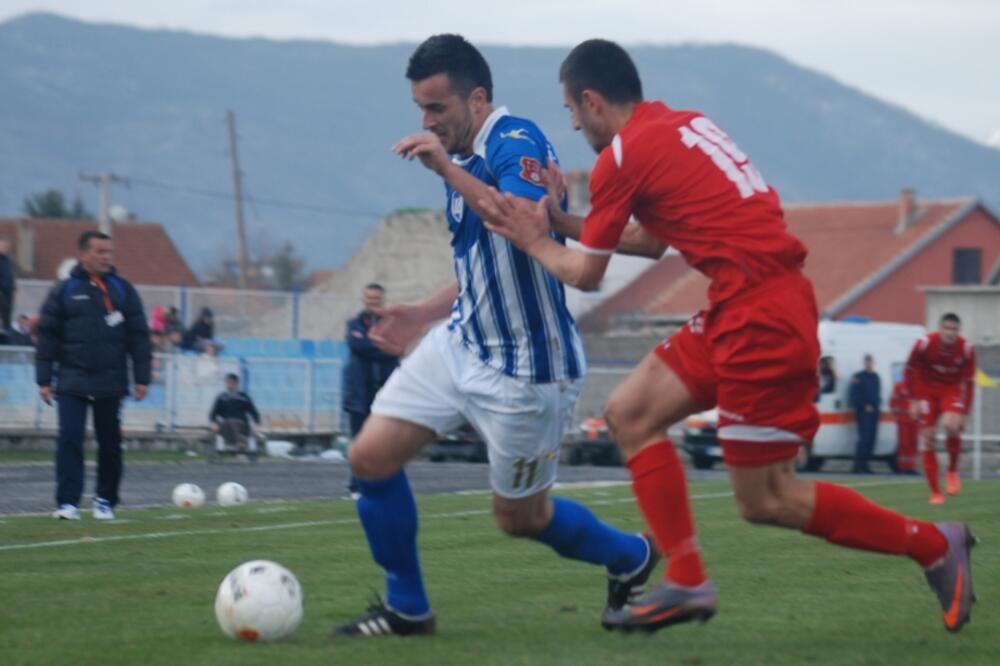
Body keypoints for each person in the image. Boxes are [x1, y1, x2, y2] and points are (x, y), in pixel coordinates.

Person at [478, 39, 975, 633]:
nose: (573, 125)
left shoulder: (621, 156)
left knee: (768, 498)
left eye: (570, 111)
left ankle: (933, 545)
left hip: (759, 316)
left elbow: (587, 275)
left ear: (591, 100)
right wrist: (561, 221)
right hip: (748, 302)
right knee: (631, 413)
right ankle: (686, 577)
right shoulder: (683, 124)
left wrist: (532, 239)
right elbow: (651, 242)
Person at [329, 34, 653, 638]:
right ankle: (407, 608)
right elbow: (485, 265)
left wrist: (446, 169)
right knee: (369, 458)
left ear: (477, 99)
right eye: (420, 110)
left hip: (527, 371)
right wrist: (421, 314)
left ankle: (630, 556)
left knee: (521, 519)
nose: (427, 123)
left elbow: (522, 221)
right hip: (462, 343)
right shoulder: (463, 156)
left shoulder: (516, 140)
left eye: (437, 108)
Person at [35, 230, 151, 521]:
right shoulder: (64, 290)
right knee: (70, 439)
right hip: (72, 381)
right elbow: (47, 336)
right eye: (100, 252)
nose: (106, 257)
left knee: (110, 445)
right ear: (83, 254)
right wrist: (44, 379)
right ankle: (67, 503)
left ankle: (105, 501)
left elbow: (139, 336)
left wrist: (142, 377)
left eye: (109, 252)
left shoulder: (123, 290)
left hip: (111, 382)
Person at [905, 313, 975, 505]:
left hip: (950, 390)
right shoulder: (925, 343)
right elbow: (909, 369)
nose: (950, 333)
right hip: (926, 391)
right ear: (940, 329)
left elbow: (969, 382)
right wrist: (912, 399)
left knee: (952, 425)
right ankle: (935, 492)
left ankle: (952, 470)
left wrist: (965, 413)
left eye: (954, 330)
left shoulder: (966, 349)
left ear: (958, 331)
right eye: (947, 329)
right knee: (928, 439)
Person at [341, 283, 400, 498]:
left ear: (382, 300)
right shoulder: (354, 324)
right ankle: (355, 485)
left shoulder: (393, 324)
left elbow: (396, 349)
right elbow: (357, 346)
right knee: (358, 441)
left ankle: (382, 483)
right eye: (370, 298)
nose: (373, 302)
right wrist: (381, 346)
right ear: (364, 299)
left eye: (377, 298)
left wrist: (374, 346)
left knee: (385, 441)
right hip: (359, 393)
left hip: (385, 393)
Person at [209, 373, 262, 453]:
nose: (229, 385)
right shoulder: (222, 397)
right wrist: (214, 423)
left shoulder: (244, 397)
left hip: (241, 423)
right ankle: (239, 443)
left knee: (231, 422)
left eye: (231, 383)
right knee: (227, 422)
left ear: (236, 384)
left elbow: (253, 412)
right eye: (227, 383)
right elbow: (213, 413)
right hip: (225, 423)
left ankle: (233, 445)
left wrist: (257, 424)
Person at [849, 354, 881, 473]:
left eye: (871, 361)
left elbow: (877, 394)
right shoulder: (858, 377)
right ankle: (858, 465)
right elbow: (854, 395)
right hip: (863, 412)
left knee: (871, 438)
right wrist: (864, 405)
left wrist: (875, 406)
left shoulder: (876, 377)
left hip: (874, 411)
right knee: (864, 438)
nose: (869, 364)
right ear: (864, 363)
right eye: (867, 362)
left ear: (873, 362)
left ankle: (866, 464)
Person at [890, 378, 919, 474]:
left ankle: (911, 466)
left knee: (913, 444)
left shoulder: (918, 386)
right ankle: (902, 466)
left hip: (915, 420)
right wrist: (898, 414)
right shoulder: (899, 386)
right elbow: (893, 402)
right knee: (904, 443)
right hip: (904, 420)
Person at [0, 236, 15, 334]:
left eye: (6, 246)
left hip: (8, 294)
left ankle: (6, 332)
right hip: (1, 294)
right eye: (3, 246)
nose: (5, 248)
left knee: (7, 318)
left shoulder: (8, 261)